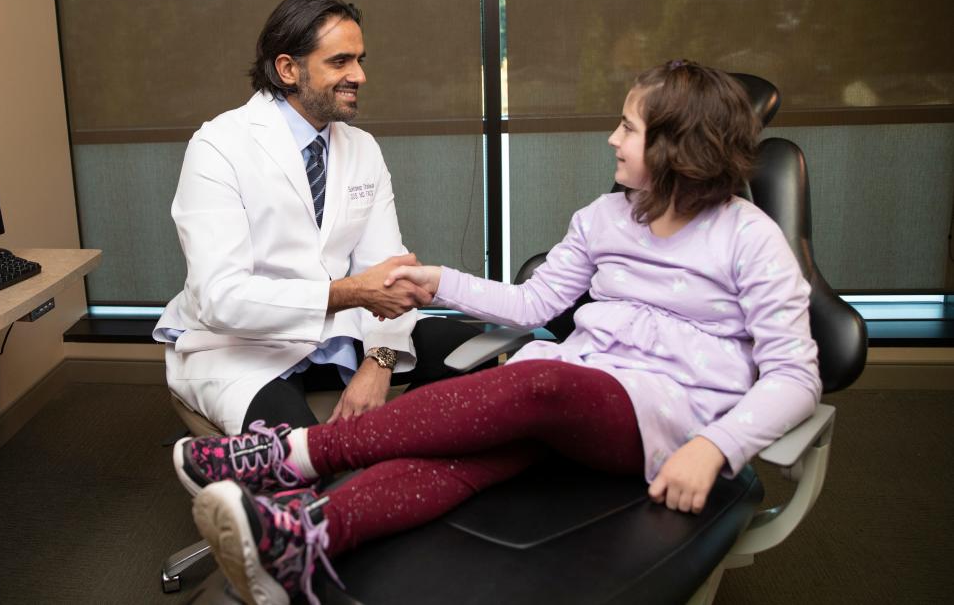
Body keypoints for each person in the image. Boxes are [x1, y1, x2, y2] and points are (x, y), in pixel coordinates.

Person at [173, 60, 822, 605]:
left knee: (537, 379)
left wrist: (715, 446)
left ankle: (297, 452)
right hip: (581, 394)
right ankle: (304, 537)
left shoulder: (749, 239)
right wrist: (438, 282)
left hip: (666, 419)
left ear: (677, 145)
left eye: (628, 126)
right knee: (461, 457)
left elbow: (796, 375)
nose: (612, 139)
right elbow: (535, 300)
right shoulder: (605, 218)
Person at [154, 0, 481, 439]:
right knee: (308, 456)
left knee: (474, 353)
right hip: (240, 346)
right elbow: (221, 299)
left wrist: (379, 361)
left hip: (334, 332)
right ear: (289, 68)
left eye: (361, 60)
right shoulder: (218, 147)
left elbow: (383, 275)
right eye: (341, 61)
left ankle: (419, 473)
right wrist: (347, 293)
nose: (360, 75)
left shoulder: (361, 148)